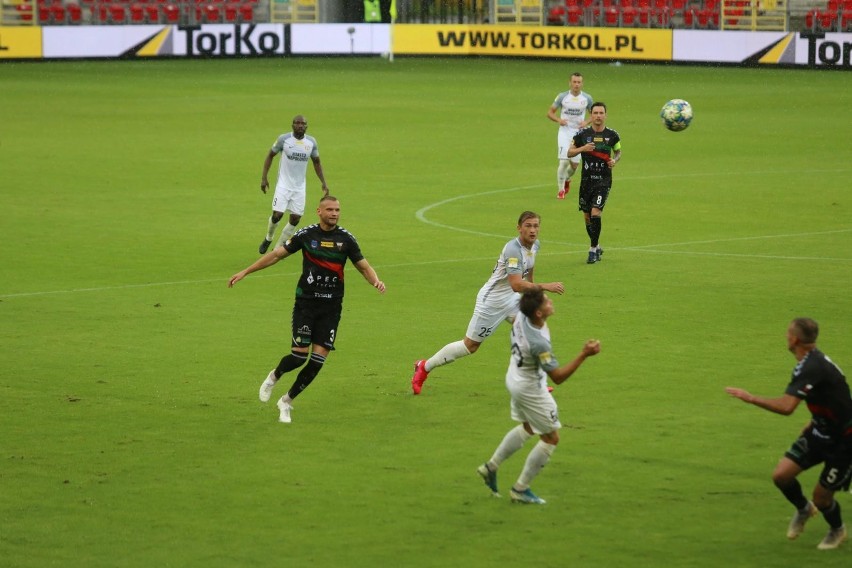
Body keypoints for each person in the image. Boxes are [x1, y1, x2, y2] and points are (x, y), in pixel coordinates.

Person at [230, 195, 386, 423]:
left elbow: (364, 266)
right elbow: (276, 256)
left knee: (317, 361)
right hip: (307, 304)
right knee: (298, 356)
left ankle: (286, 401)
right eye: (330, 209)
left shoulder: (346, 239)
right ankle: (275, 375)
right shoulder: (306, 235)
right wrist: (245, 271)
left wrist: (376, 281)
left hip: (331, 308)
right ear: (319, 212)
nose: (335, 213)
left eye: (338, 210)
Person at [725, 318, 852, 550]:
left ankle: (837, 530)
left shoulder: (811, 366)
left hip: (844, 441)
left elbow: (786, 407)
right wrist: (816, 420)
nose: (786, 337)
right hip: (820, 430)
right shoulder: (811, 362)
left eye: (787, 333)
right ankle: (804, 510)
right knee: (781, 476)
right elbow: (835, 397)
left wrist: (750, 397)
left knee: (822, 498)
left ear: (794, 339)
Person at [410, 211, 565, 395]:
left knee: (533, 331)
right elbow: (516, 284)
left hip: (514, 299)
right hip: (492, 302)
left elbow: (528, 273)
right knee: (470, 346)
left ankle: (535, 383)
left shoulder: (535, 245)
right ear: (519, 228)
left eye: (536, 226)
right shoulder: (513, 250)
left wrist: (531, 298)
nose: (533, 230)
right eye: (528, 226)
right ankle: (424, 367)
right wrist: (544, 287)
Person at [475, 289, 600, 504]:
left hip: (514, 377)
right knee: (551, 438)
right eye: (546, 302)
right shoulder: (538, 343)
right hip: (530, 389)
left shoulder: (523, 315)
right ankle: (520, 489)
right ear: (539, 313)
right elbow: (558, 377)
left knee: (529, 427)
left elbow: (526, 295)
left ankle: (491, 467)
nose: (550, 302)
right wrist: (584, 355)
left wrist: (542, 286)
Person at [257, 115, 330, 255]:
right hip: (283, 185)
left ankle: (277, 248)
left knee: (295, 218)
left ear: (306, 126)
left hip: (299, 187)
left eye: (303, 124)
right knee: (277, 215)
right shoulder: (284, 139)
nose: (300, 125)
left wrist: (323, 182)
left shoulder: (311, 142)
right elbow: (270, 156)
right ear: (292, 125)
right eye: (297, 123)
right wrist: (264, 178)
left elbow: (317, 162)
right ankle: (268, 238)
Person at [567, 102, 621, 265]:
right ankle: (597, 245)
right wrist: (583, 148)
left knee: (595, 212)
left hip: (603, 181)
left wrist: (614, 160)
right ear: (591, 115)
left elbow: (618, 151)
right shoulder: (582, 134)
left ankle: (592, 250)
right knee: (587, 216)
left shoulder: (612, 135)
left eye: (601, 113)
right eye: (595, 113)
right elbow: (569, 152)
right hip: (586, 182)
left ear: (605, 115)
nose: (598, 116)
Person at [547, 72, 593, 200]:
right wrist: (558, 120)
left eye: (579, 82)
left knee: (573, 166)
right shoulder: (562, 97)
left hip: (579, 135)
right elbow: (550, 113)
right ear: (570, 83)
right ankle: (561, 190)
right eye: (574, 82)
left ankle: (567, 179)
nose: (576, 84)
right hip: (565, 132)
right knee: (563, 161)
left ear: (582, 84)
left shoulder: (587, 99)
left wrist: (586, 122)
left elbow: (594, 114)